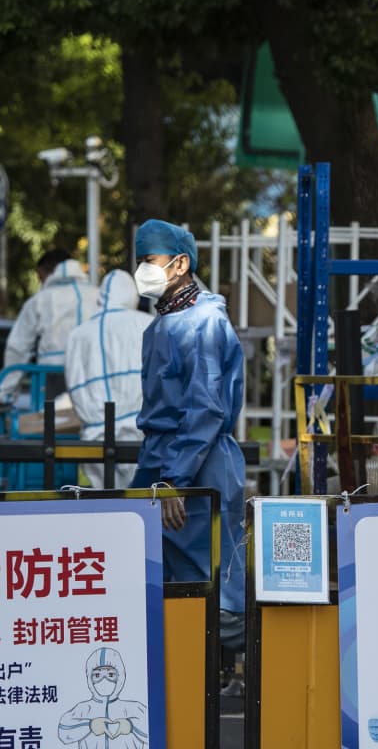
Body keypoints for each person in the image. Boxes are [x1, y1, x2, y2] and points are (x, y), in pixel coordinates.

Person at [131, 220, 246, 638]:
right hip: (163, 463)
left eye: (150, 260)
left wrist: (175, 479)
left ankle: (242, 663)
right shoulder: (159, 326)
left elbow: (205, 407)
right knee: (164, 582)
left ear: (180, 264)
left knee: (212, 588)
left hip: (197, 462)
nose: (142, 270)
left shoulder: (205, 321)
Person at [63, 269, 153, 488]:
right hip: (140, 432)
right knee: (143, 500)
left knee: (102, 500)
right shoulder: (147, 324)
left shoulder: (77, 335)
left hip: (94, 436)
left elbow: (73, 381)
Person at [4, 248, 99, 400]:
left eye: (40, 278)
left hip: (53, 379)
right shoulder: (98, 296)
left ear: (48, 272)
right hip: (95, 376)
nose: (41, 283)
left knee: (54, 414)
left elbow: (18, 347)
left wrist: (7, 393)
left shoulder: (40, 300)